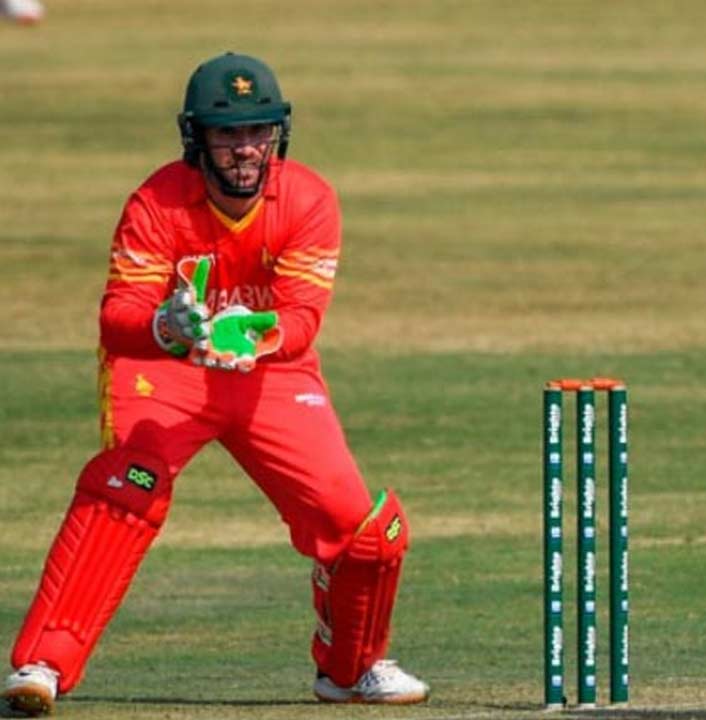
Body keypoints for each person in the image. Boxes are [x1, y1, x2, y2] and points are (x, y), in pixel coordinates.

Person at [2, 52, 429, 716]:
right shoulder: (155, 202)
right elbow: (118, 319)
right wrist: (166, 325)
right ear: (195, 137)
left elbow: (302, 318)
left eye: (258, 131)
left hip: (269, 373)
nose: (245, 149)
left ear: (278, 134)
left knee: (361, 528)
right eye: (227, 133)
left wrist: (253, 337)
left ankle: (351, 670)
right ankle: (43, 664)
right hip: (165, 368)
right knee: (128, 484)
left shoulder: (309, 199)